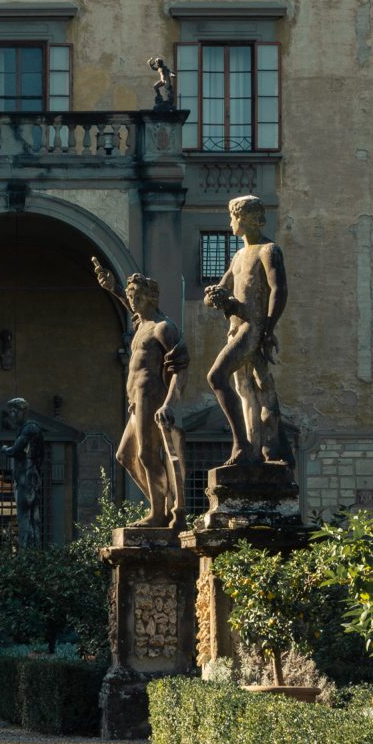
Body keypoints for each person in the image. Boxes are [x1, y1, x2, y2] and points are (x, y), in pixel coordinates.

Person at [92, 257, 189, 527]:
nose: (131, 299)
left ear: (149, 297)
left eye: (135, 295)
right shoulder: (142, 325)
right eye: (130, 295)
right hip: (135, 399)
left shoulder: (163, 328)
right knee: (125, 455)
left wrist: (169, 403)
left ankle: (159, 514)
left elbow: (181, 367)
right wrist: (113, 289)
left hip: (152, 395)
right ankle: (163, 503)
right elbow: (134, 312)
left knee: (147, 454)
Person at [202, 193, 291, 468]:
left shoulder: (268, 250)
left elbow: (279, 290)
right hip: (236, 327)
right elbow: (220, 289)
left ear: (245, 219)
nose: (230, 222)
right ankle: (263, 448)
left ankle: (243, 445)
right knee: (249, 388)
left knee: (217, 376)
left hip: (252, 328)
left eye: (233, 217)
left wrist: (268, 328)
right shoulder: (239, 255)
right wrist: (215, 295)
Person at [0, 397, 48, 546]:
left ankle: (27, 552)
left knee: (25, 517)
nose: (12, 415)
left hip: (27, 479)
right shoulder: (27, 428)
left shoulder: (30, 428)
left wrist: (4, 449)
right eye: (11, 412)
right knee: (31, 516)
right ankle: (31, 550)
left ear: (23, 411)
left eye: (14, 411)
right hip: (26, 478)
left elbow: (15, 450)